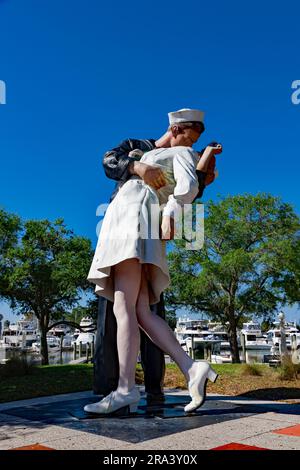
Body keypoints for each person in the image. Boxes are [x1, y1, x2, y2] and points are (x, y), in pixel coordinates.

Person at [85, 108, 222, 414]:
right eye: (188, 137)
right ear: (176, 129)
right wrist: (137, 167)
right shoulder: (141, 147)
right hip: (138, 222)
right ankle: (191, 367)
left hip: (132, 220)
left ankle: (125, 389)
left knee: (124, 305)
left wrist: (173, 210)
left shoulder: (180, 154)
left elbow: (191, 187)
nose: (190, 145)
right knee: (141, 311)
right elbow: (110, 161)